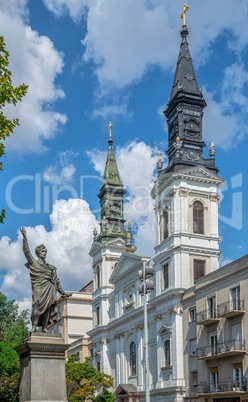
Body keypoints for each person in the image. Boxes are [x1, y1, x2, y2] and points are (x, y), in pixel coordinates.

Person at [20, 227, 71, 332]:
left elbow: (57, 281)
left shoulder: (51, 267)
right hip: (38, 288)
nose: (44, 253)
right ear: (38, 253)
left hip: (49, 288)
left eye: (45, 251)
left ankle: (44, 327)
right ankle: (34, 327)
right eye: (42, 251)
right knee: (37, 305)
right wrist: (25, 238)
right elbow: (26, 252)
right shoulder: (34, 263)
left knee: (48, 307)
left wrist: (63, 292)